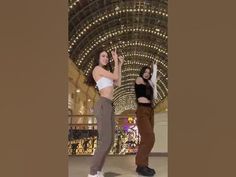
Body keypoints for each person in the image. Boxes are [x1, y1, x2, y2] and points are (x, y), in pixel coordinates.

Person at [85, 49, 124, 177]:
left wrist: (120, 64)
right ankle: (92, 173)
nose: (106, 58)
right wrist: (116, 60)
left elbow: (118, 82)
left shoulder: (106, 73)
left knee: (111, 141)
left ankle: (98, 171)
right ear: (98, 58)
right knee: (105, 141)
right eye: (103, 56)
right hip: (103, 105)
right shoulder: (97, 69)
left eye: (107, 56)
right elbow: (116, 77)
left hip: (109, 106)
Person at [134, 62, 159, 176]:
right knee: (149, 136)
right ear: (142, 73)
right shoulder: (139, 79)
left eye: (149, 73)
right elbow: (149, 83)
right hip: (142, 111)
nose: (147, 74)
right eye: (145, 72)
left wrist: (155, 76)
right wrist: (153, 80)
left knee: (147, 139)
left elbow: (154, 94)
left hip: (150, 111)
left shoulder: (149, 83)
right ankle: (140, 165)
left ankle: (143, 165)